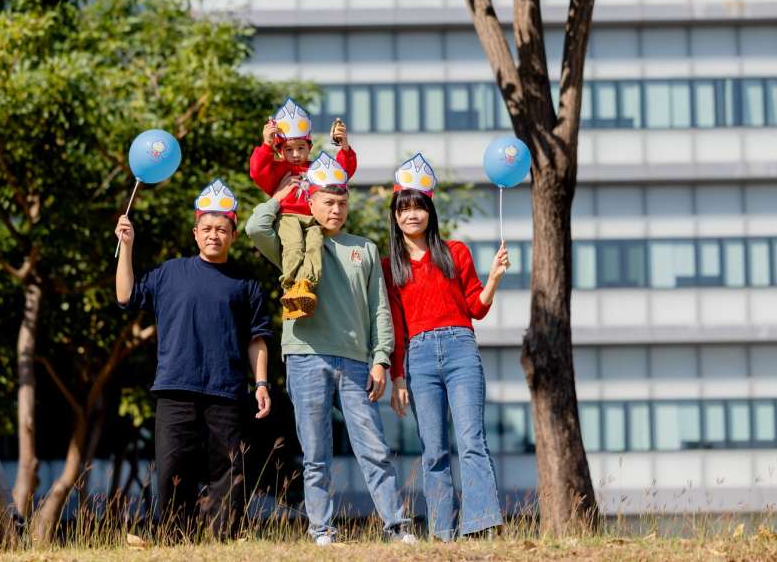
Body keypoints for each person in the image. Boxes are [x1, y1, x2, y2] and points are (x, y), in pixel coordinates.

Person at [245, 155, 415, 546]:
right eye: (327, 202)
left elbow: (379, 310)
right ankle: (321, 529)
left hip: (356, 360)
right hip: (305, 355)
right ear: (312, 202)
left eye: (341, 202)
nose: (335, 210)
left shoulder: (365, 249)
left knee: (373, 448)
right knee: (316, 453)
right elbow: (255, 226)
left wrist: (381, 359)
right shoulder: (293, 241)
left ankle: (396, 526)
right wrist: (283, 195)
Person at [115, 178, 273, 537]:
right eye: (207, 228)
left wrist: (261, 382)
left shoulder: (245, 283)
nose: (213, 235)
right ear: (195, 232)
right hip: (175, 387)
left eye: (221, 229)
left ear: (233, 234)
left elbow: (257, 337)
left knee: (228, 471)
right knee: (173, 468)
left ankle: (224, 538)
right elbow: (126, 296)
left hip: (227, 390)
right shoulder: (170, 272)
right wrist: (127, 246)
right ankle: (173, 537)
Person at [383, 153, 509, 541]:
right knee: (433, 449)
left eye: (418, 206)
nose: (411, 215)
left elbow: (476, 307)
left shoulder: (455, 252)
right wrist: (398, 376)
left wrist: (494, 279)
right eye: (403, 209)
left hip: (460, 349)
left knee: (472, 440)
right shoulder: (391, 266)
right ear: (396, 216)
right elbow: (398, 328)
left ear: (429, 210)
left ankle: (481, 524)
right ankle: (442, 533)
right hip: (418, 357)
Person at [249, 98, 356, 319]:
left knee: (315, 247)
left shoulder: (317, 169)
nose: (296, 154)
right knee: (294, 247)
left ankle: (305, 286)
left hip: (314, 221)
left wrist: (344, 147)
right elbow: (257, 172)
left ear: (310, 147)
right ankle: (290, 288)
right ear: (280, 151)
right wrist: (266, 144)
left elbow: (341, 173)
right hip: (288, 217)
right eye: (288, 149)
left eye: (301, 148)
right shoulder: (278, 170)